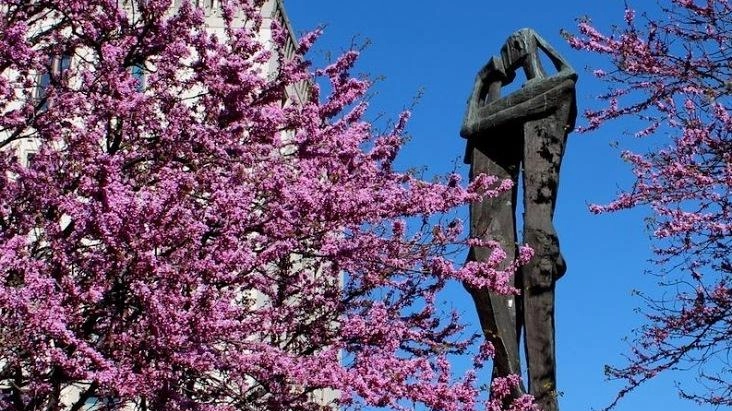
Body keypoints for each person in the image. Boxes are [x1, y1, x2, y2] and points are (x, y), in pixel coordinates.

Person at [460, 28, 577, 411]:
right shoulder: (541, 92)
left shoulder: (554, 90)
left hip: (534, 244)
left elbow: (473, 122)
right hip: (505, 243)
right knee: (490, 282)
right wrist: (490, 74)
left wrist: (525, 61)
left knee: (534, 260)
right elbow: (472, 126)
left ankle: (533, 402)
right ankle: (511, 397)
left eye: (516, 47)